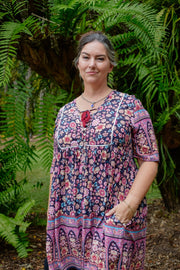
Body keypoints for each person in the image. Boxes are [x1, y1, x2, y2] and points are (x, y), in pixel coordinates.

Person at [46, 31, 159, 270]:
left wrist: (130, 204)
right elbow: (58, 168)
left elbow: (150, 158)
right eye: (86, 57)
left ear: (110, 66)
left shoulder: (130, 106)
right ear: (78, 63)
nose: (92, 64)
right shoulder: (64, 113)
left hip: (114, 215)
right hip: (69, 223)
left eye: (100, 58)